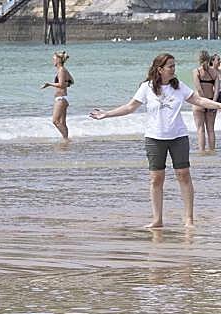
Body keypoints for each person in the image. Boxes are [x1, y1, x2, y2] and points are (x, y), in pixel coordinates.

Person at [91, 53, 221, 228]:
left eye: (174, 65)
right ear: (160, 69)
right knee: (156, 179)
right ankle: (157, 220)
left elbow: (197, 99)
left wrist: (219, 105)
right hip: (154, 138)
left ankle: (189, 219)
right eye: (170, 66)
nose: (174, 69)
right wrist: (107, 114)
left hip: (178, 137)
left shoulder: (179, 86)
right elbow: (130, 107)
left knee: (183, 175)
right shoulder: (147, 87)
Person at [41, 51, 74, 142]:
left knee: (55, 121)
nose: (53, 61)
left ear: (59, 60)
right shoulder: (63, 70)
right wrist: (66, 84)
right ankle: (66, 140)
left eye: (54, 59)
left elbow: (61, 85)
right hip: (63, 98)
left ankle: (66, 139)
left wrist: (49, 84)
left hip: (61, 99)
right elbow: (72, 81)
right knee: (62, 122)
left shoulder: (61, 70)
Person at [193, 50, 218, 152]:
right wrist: (212, 103)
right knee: (211, 130)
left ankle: (202, 152)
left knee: (200, 130)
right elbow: (216, 91)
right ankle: (212, 151)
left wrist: (203, 102)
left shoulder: (196, 71)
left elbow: (199, 89)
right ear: (209, 59)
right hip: (211, 101)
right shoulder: (214, 72)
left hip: (199, 102)